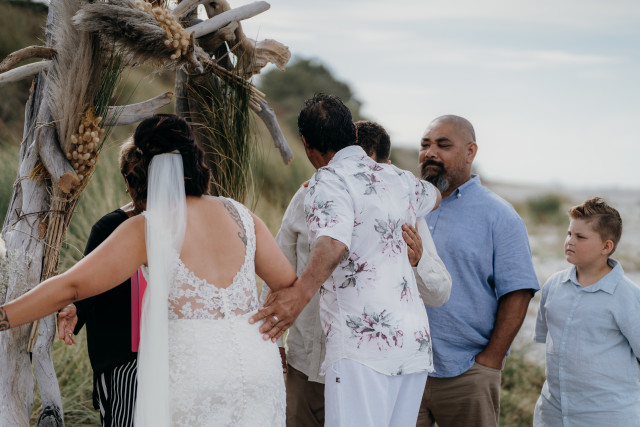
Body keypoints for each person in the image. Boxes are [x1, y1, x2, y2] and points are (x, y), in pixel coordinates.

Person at [0, 114, 296, 427]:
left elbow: (71, 287)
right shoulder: (241, 215)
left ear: (145, 170)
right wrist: (269, 322)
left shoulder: (148, 227)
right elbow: (288, 283)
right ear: (196, 159)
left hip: (197, 376)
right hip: (258, 367)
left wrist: (4, 316)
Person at [251, 94, 442, 426]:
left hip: (361, 349)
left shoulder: (328, 180)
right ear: (353, 134)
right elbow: (435, 195)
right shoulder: (399, 179)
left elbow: (333, 242)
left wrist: (299, 295)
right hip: (412, 347)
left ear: (306, 144)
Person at [416, 115, 539, 427]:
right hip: (406, 368)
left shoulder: (499, 215)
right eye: (425, 144)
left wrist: (490, 361)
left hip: (466, 373)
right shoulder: (409, 204)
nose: (430, 152)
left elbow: (518, 292)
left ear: (470, 152)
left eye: (443, 145)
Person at [56, 139, 145, 427]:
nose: (138, 186)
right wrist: (76, 309)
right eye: (132, 178)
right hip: (123, 363)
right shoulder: (109, 228)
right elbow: (86, 284)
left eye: (144, 176)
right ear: (124, 180)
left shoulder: (182, 224)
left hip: (173, 356)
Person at [533, 197, 640, 426]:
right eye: (569, 233)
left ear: (606, 247)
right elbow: (547, 340)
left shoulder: (627, 295)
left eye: (580, 237)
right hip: (552, 415)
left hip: (607, 417)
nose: (570, 241)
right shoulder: (553, 285)